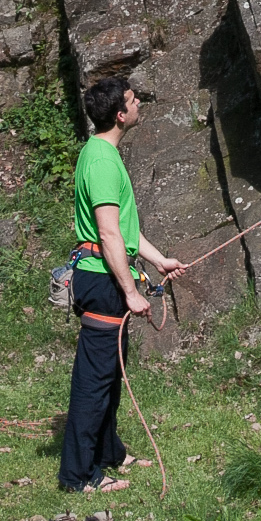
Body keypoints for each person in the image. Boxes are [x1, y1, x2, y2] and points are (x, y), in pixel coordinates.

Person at [58, 76, 185, 496]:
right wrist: (130, 290)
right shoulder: (101, 161)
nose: (138, 105)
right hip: (102, 279)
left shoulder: (104, 154)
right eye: (133, 100)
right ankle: (78, 476)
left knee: (111, 373)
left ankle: (109, 451)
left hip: (106, 273)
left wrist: (158, 259)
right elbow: (109, 236)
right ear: (120, 113)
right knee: (94, 380)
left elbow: (125, 234)